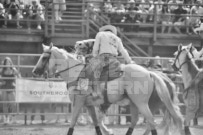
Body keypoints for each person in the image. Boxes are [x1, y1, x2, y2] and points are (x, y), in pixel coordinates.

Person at [78, 25, 134, 105]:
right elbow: (123, 51)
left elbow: (95, 48)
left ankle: (83, 94)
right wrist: (130, 61)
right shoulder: (117, 38)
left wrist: (94, 56)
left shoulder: (100, 34)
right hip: (114, 60)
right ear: (112, 32)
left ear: (104, 30)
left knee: (85, 71)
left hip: (103, 58)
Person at [0, 57, 21, 124]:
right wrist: (1, 82)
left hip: (11, 87)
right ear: (4, 63)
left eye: (9, 62)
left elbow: (19, 76)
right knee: (4, 104)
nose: (7, 64)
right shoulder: (2, 70)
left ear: (11, 63)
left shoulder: (13, 69)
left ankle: (13, 118)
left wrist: (16, 81)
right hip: (4, 88)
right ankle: (6, 119)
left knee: (13, 103)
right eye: (6, 62)